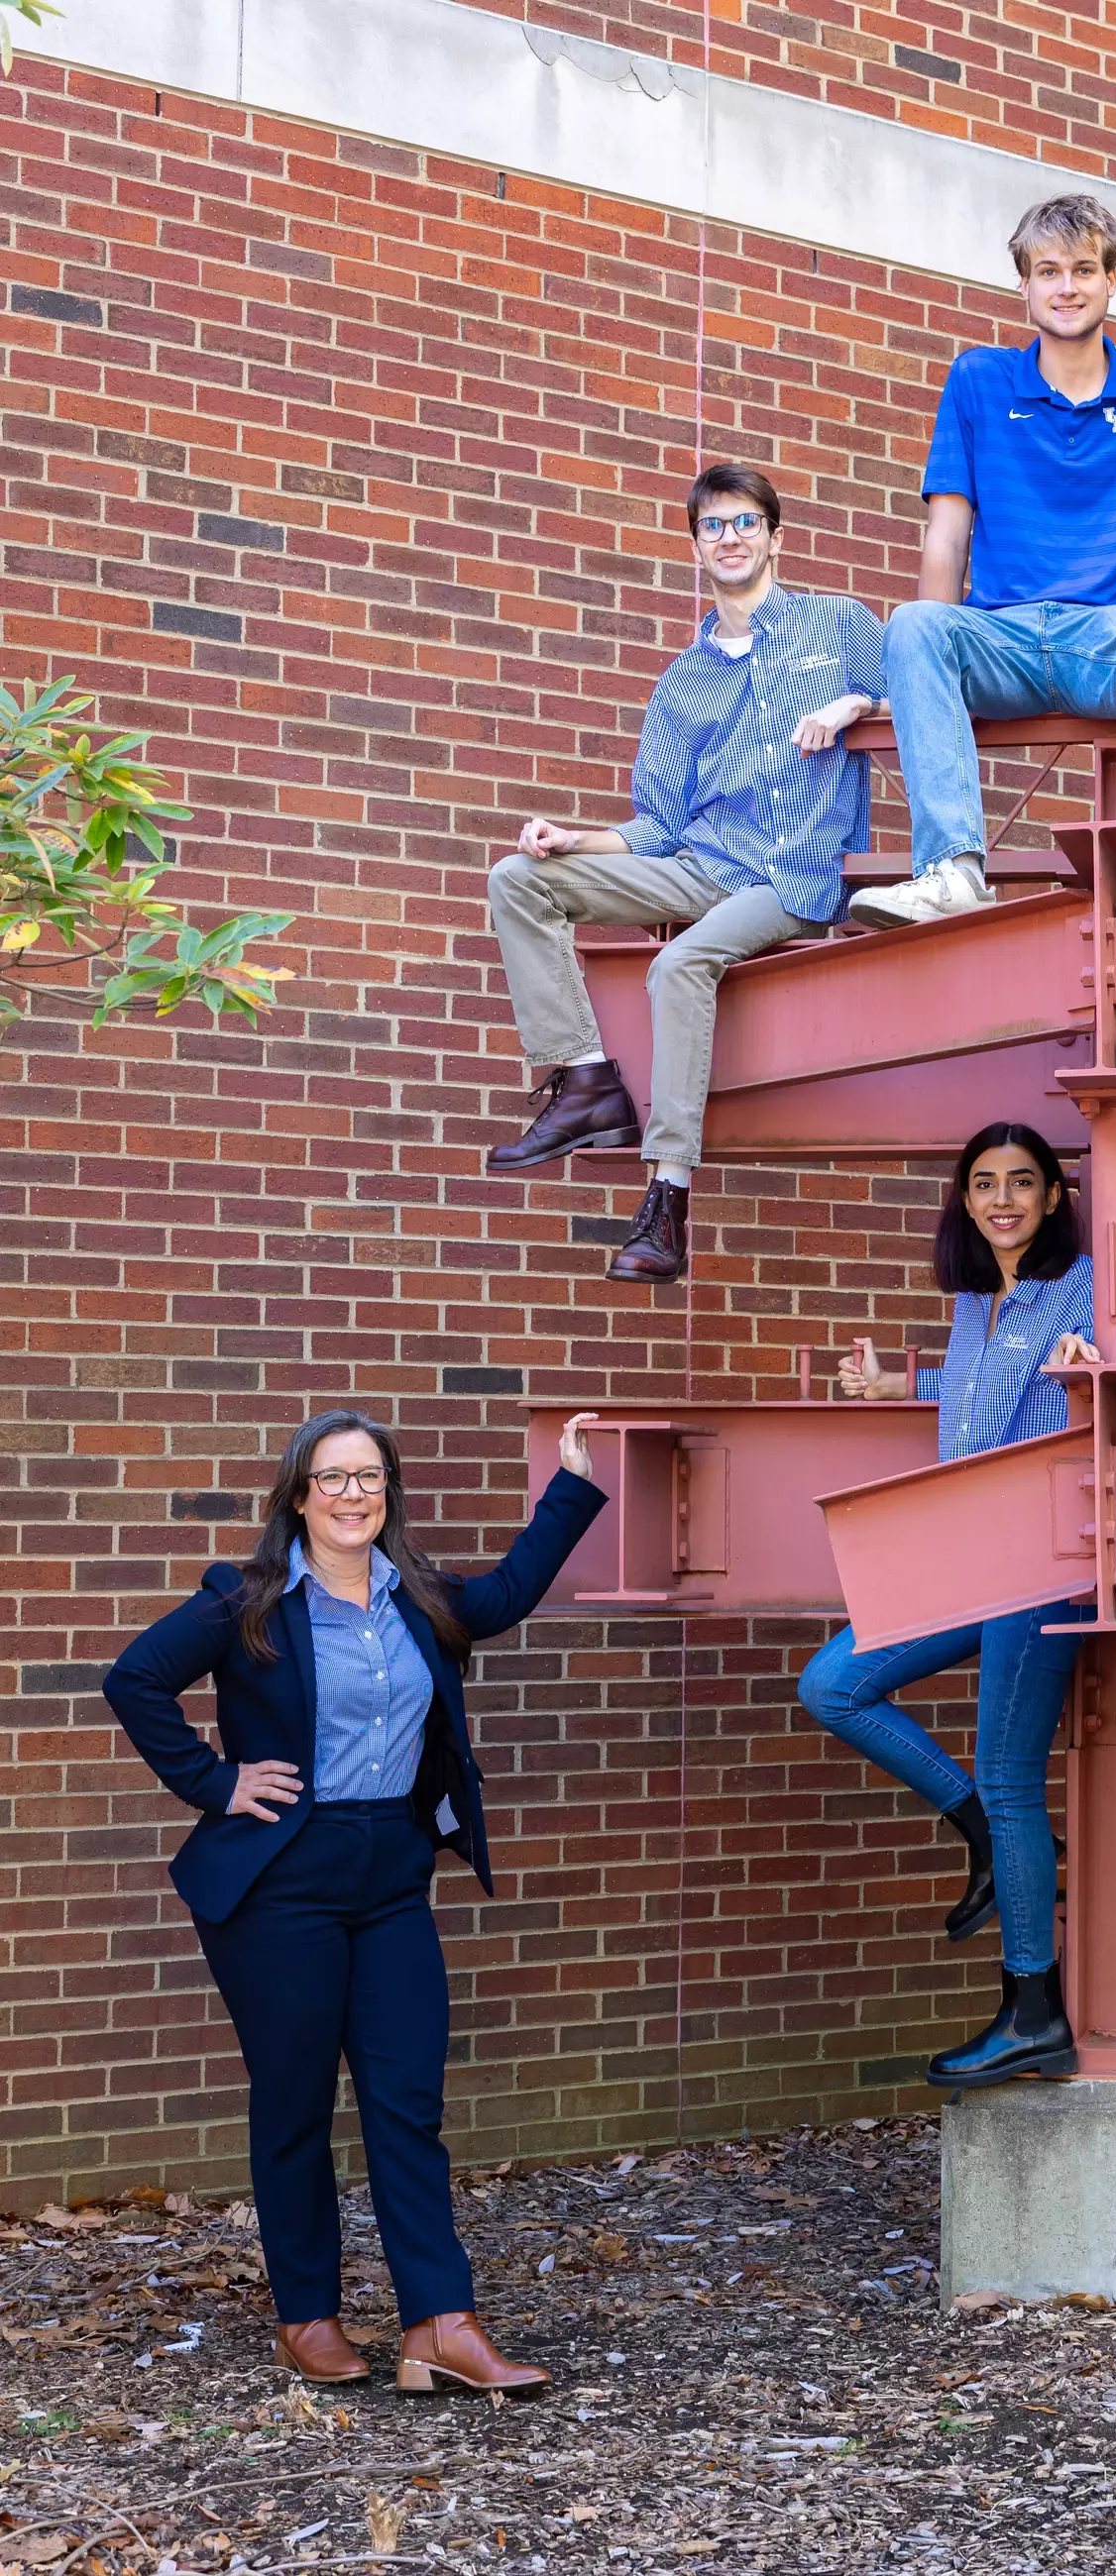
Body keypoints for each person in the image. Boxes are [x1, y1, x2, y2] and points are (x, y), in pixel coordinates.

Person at [103, 1409, 608, 2394]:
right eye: (331, 1477)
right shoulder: (246, 1600)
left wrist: (573, 1478)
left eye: (368, 1477)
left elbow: (506, 1593)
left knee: (406, 2099)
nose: (351, 1494)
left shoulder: (415, 1596)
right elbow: (135, 1680)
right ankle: (306, 2315)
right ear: (299, 1494)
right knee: (294, 2101)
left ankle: (439, 2323)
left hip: (391, 1874)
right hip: (281, 1880)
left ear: (388, 1492)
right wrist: (216, 1782)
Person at [484, 463, 886, 1285]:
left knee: (679, 963)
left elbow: (910, 702)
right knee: (516, 878)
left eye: (745, 522)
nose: (730, 538)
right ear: (696, 546)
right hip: (704, 865)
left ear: (775, 536)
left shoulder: (838, 624)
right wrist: (570, 839)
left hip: (800, 877)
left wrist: (850, 706)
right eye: (714, 526)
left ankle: (667, 1195)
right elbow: (657, 829)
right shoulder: (682, 684)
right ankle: (588, 1079)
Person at [800, 1123, 1100, 2088]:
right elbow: (981, 1401)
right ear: (964, 1200)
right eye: (983, 1183)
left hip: (1046, 1562)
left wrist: (1092, 1362)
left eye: (1022, 1181)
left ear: (1053, 1195)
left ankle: (1031, 2011)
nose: (1002, 1197)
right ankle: (975, 1825)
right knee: (834, 1681)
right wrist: (903, 1383)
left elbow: (1099, 1382)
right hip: (972, 1555)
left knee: (1013, 1775)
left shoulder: (1089, 1281)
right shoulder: (976, 1301)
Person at [853, 192, 1116, 930]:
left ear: (1111, 281)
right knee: (914, 626)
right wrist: (921, 665)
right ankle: (951, 870)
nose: (1067, 286)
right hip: (1005, 637)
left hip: (1113, 638)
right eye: (1048, 270)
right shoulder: (978, 380)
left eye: (1084, 269)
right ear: (1024, 285)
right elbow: (946, 535)